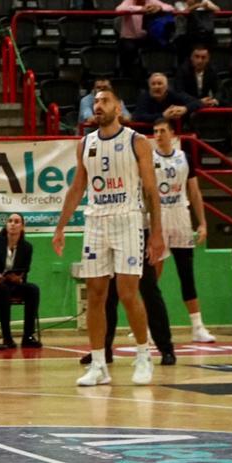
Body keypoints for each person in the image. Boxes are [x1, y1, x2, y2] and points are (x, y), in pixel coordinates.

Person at [51, 84, 165, 387]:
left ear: (119, 107)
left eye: (105, 101)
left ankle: (143, 354)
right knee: (96, 294)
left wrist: (157, 233)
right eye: (95, 101)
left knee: (129, 293)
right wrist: (61, 226)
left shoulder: (136, 142)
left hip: (127, 219)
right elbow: (78, 187)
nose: (98, 105)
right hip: (95, 221)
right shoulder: (85, 143)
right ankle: (99, 363)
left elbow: (152, 191)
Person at [151, 118, 217, 343]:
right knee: (152, 275)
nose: (158, 135)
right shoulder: (148, 159)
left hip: (180, 214)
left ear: (172, 134)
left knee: (186, 274)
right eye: (155, 131)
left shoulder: (184, 158)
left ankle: (198, 326)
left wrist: (203, 222)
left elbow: (195, 192)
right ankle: (149, 326)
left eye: (162, 131)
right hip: (158, 217)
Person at [0, 213, 43, 349]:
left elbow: (25, 270)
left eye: (17, 221)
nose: (13, 224)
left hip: (14, 283)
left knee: (33, 289)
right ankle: (7, 337)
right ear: (6, 225)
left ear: (22, 227)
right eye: (10, 221)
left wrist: (18, 278)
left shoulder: (27, 247)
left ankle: (28, 335)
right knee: (3, 290)